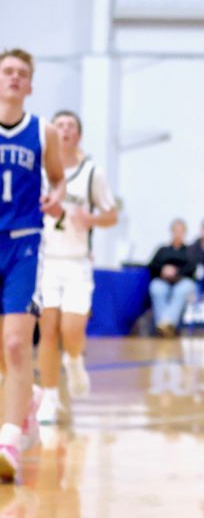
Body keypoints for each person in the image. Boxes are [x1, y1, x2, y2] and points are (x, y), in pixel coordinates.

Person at [0, 48, 66, 482]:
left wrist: (56, 196)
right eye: (7, 71)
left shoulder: (42, 132)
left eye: (22, 73)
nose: (14, 78)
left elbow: (58, 178)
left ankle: (7, 441)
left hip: (24, 243)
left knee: (15, 345)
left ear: (30, 84)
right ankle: (25, 407)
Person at [36, 109, 118, 424]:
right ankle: (50, 398)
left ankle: (73, 361)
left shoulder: (91, 172)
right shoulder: (39, 171)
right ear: (52, 134)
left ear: (79, 136)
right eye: (60, 125)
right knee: (47, 330)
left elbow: (112, 215)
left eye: (71, 126)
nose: (65, 130)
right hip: (45, 261)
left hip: (77, 262)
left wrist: (93, 219)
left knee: (72, 330)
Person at [148, 219, 198, 336]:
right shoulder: (162, 250)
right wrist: (163, 270)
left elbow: (192, 269)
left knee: (180, 291)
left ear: (185, 232)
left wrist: (176, 272)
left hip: (183, 281)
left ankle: (166, 323)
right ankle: (165, 326)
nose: (178, 233)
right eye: (175, 230)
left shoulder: (189, 251)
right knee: (156, 288)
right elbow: (152, 266)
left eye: (180, 231)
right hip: (163, 281)